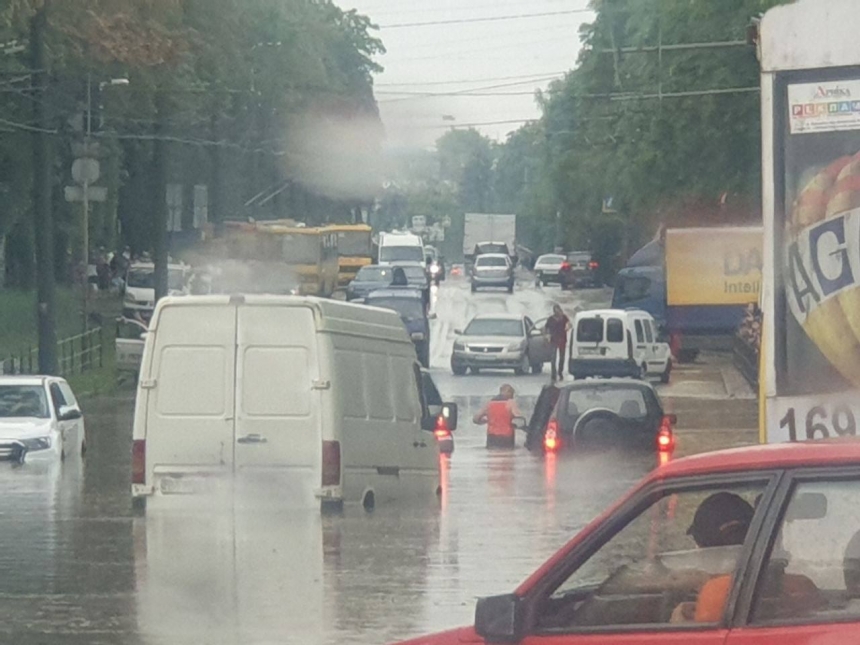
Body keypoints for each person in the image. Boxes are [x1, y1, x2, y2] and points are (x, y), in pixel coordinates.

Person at [473, 384, 523, 449]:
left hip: (492, 437)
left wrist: (485, 421)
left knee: (492, 456)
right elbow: (519, 419)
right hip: (507, 437)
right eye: (512, 394)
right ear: (508, 392)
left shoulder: (489, 404)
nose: (512, 397)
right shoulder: (510, 403)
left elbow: (475, 419)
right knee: (508, 457)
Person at [544, 305, 571, 381]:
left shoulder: (564, 318)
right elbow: (546, 327)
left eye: (558, 310)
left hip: (562, 340)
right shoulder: (551, 319)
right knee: (553, 358)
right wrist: (547, 335)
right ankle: (553, 374)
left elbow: (569, 324)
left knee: (562, 358)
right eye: (555, 310)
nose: (557, 312)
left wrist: (568, 327)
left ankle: (560, 372)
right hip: (554, 340)